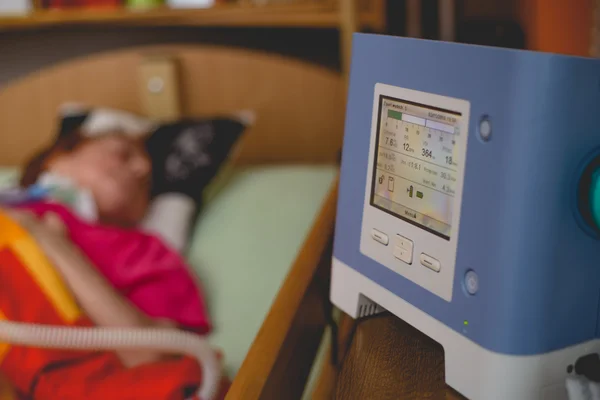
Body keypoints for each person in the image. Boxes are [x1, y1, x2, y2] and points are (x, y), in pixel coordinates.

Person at [5, 130, 212, 368]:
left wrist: (52, 243)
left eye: (148, 183)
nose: (142, 169)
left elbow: (152, 356)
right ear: (57, 158)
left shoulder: (149, 254)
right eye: (123, 155)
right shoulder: (10, 206)